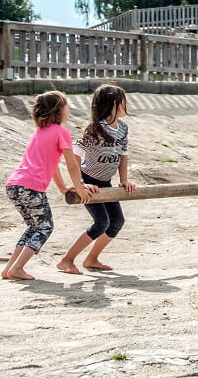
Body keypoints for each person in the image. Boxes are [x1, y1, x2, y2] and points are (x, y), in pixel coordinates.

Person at [2, 91, 94, 281]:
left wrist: (63, 189)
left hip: (14, 185)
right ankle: (18, 268)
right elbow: (71, 165)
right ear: (59, 110)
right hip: (31, 187)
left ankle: (9, 269)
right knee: (45, 227)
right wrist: (80, 187)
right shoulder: (62, 132)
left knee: (33, 227)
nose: (69, 110)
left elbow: (52, 167)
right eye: (66, 106)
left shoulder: (39, 132)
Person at [57, 84, 136, 274]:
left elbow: (123, 155)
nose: (126, 105)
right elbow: (75, 156)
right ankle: (66, 260)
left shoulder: (123, 128)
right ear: (112, 105)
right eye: (123, 102)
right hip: (88, 180)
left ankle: (92, 259)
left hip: (105, 181)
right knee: (101, 223)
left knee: (117, 221)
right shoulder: (95, 129)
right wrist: (81, 184)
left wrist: (124, 180)